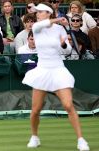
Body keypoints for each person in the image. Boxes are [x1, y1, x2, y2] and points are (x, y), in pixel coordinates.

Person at [22, 3, 90, 151]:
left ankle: (81, 140)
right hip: (42, 70)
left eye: (41, 12)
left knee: (68, 105)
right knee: (36, 110)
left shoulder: (60, 29)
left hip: (58, 69)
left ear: (48, 13)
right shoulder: (36, 28)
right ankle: (34, 136)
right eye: (38, 12)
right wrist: (59, 20)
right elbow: (46, 23)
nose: (38, 14)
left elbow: (67, 50)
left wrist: (63, 45)